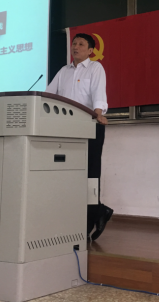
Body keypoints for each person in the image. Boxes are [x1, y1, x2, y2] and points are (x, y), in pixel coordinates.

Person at [45, 33, 113, 240]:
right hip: (67, 129)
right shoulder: (63, 71)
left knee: (90, 175)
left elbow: (99, 94)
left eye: (81, 44)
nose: (75, 47)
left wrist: (98, 113)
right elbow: (49, 94)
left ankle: (88, 220)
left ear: (90, 50)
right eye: (74, 43)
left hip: (90, 126)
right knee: (70, 174)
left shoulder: (95, 68)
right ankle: (95, 212)